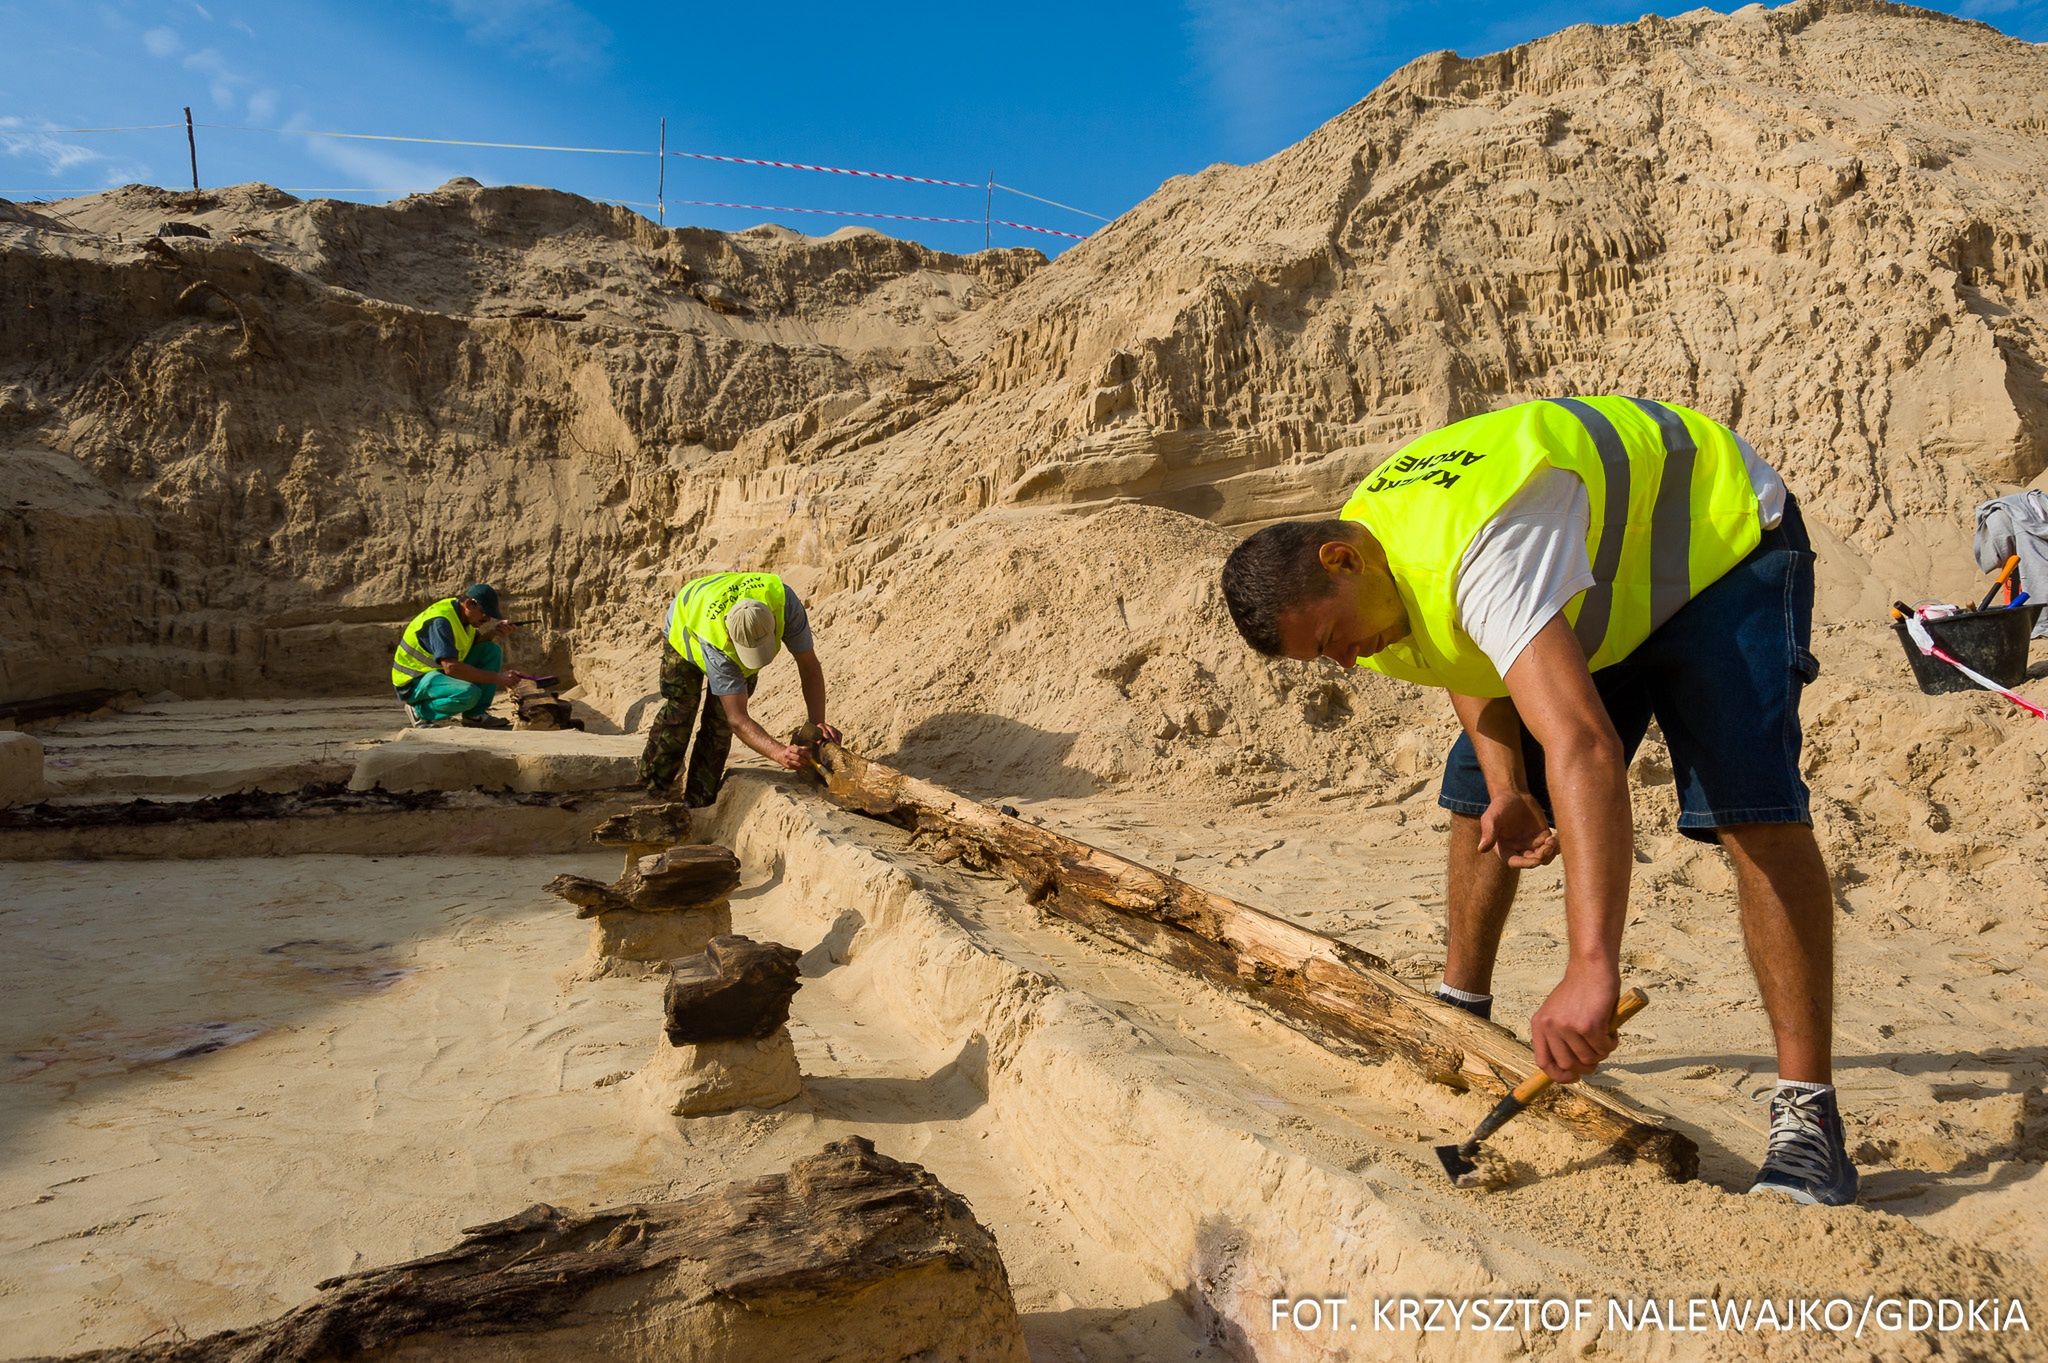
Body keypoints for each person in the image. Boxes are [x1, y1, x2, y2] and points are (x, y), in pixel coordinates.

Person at [1220, 396, 1855, 1206]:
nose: (1344, 663)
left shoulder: (1483, 551)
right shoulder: (1376, 571)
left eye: (1333, 639)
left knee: (1750, 810)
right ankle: (1462, 1015)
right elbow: (1452, 650)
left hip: (1717, 547)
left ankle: (1810, 1123)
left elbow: (1584, 747)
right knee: (1474, 794)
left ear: (1342, 560)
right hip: (1596, 588)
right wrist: (1508, 784)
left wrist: (1592, 968)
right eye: (1323, 658)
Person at [638, 570, 839, 806]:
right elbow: (738, 719)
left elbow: (809, 665)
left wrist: (817, 723)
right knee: (682, 708)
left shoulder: (784, 603)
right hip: (686, 624)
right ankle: (653, 788)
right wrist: (779, 753)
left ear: (773, 623)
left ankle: (699, 803)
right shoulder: (715, 638)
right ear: (731, 638)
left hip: (725, 603)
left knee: (718, 724)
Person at [390, 584, 520, 729]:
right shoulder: (441, 622)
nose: (487, 619)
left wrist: (495, 632)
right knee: (469, 693)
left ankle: (475, 716)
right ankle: (420, 712)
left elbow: (474, 646)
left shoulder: (463, 616)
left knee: (491, 650)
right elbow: (451, 668)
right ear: (470, 604)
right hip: (414, 681)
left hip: (436, 673)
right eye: (485, 614)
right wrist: (498, 678)